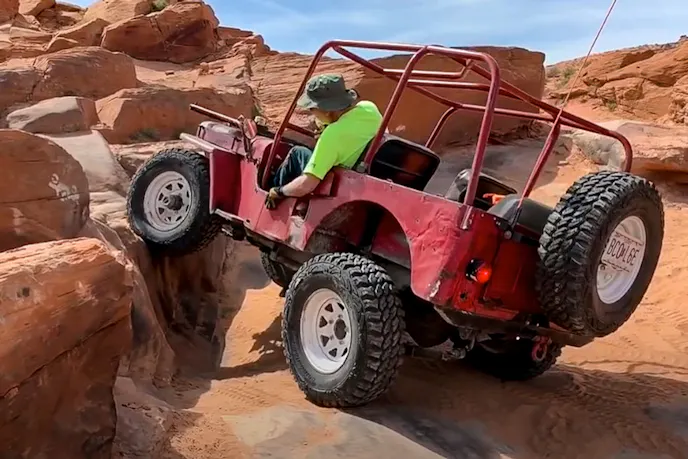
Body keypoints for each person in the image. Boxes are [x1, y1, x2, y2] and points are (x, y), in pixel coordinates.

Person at [265, 73, 383, 209]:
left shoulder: (332, 134)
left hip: (336, 182)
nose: (312, 113)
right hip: (364, 171)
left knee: (297, 153)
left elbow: (306, 185)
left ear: (326, 110)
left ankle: (274, 202)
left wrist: (279, 191)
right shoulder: (369, 108)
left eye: (311, 108)